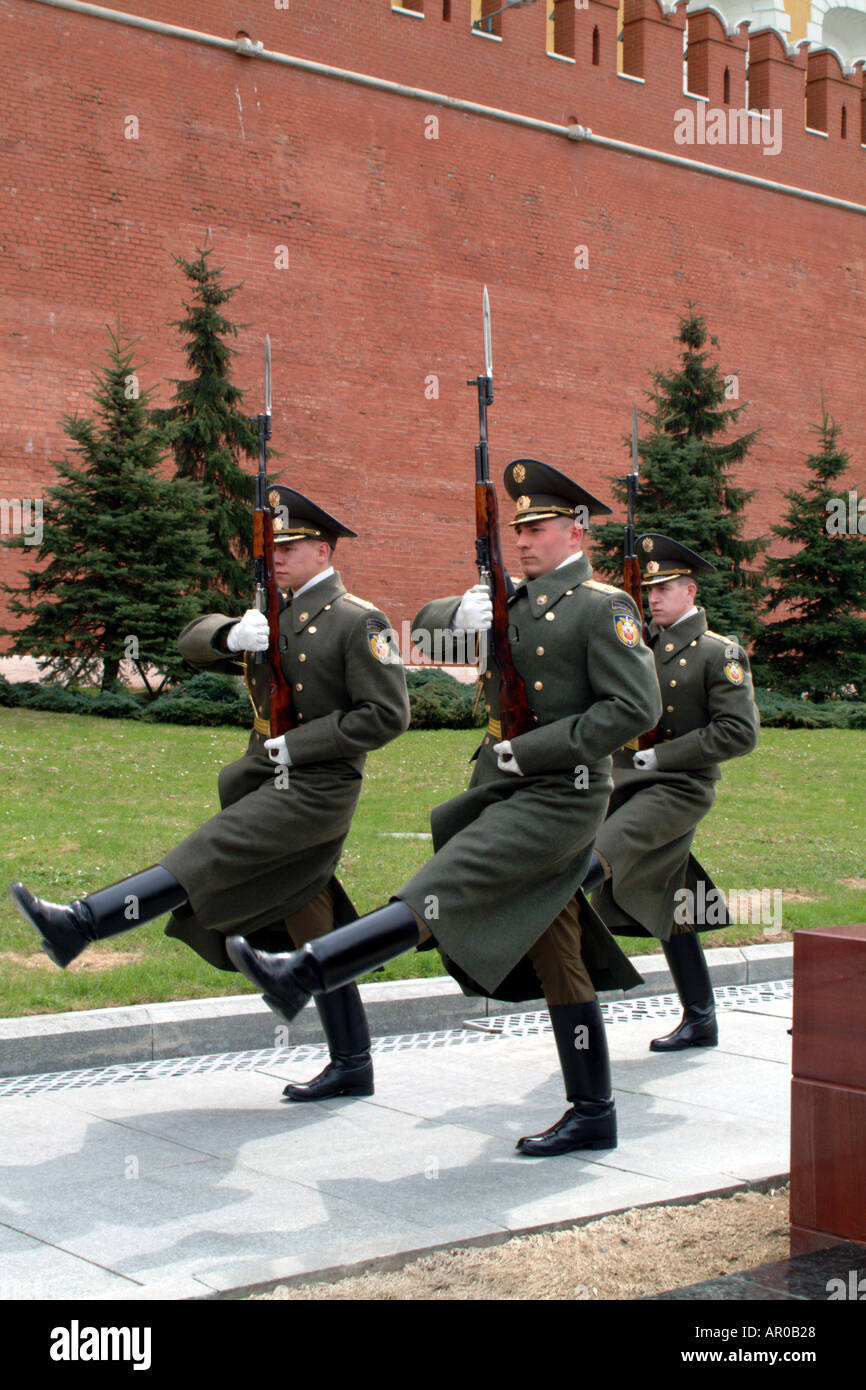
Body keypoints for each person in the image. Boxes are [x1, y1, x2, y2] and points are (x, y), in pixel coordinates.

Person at [227, 460, 663, 1157]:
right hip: (501, 787)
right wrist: (455, 613)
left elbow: (636, 708)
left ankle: (305, 970)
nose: (523, 541)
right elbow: (428, 634)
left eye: (539, 528)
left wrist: (539, 751)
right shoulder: (516, 603)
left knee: (444, 887)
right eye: (518, 529)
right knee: (559, 958)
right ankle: (594, 1109)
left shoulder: (601, 608)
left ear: (577, 533)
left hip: (560, 797)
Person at [9, 486, 411, 1103]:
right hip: (262, 783)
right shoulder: (269, 615)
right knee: (312, 919)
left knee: (207, 855)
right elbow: (190, 640)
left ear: (324, 550)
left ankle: (82, 925)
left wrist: (297, 747)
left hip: (316, 789)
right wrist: (229, 637)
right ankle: (353, 1063)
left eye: (292, 545)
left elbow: (386, 716)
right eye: (273, 546)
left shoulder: (359, 621)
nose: (277, 557)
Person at [585, 534, 759, 1052]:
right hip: (629, 784)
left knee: (590, 865)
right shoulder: (643, 646)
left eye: (664, 589)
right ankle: (701, 1018)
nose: (653, 598)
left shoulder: (719, 652)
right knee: (674, 898)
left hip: (680, 787)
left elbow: (739, 733)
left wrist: (662, 756)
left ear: (690, 590)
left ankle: (574, 995)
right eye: (650, 589)